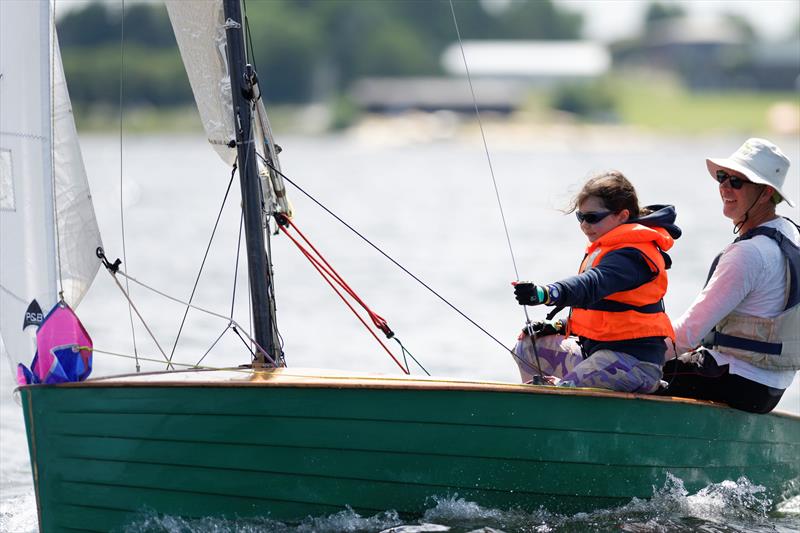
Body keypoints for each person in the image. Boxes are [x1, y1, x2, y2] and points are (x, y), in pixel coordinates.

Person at [658, 138, 800, 413]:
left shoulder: (749, 254)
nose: (724, 187)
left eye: (737, 181)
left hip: (737, 381)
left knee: (626, 370)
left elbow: (688, 333)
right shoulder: (792, 236)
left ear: (766, 193)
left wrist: (632, 354)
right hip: (771, 387)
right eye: (722, 177)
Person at [512, 171, 681, 393]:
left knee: (565, 389)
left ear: (622, 216)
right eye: (580, 217)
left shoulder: (633, 256)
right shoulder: (606, 249)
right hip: (597, 355)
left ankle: (556, 401)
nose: (585, 225)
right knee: (527, 347)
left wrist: (546, 293)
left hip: (636, 365)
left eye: (592, 217)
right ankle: (534, 409)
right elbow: (606, 312)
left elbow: (592, 283)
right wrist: (559, 325)